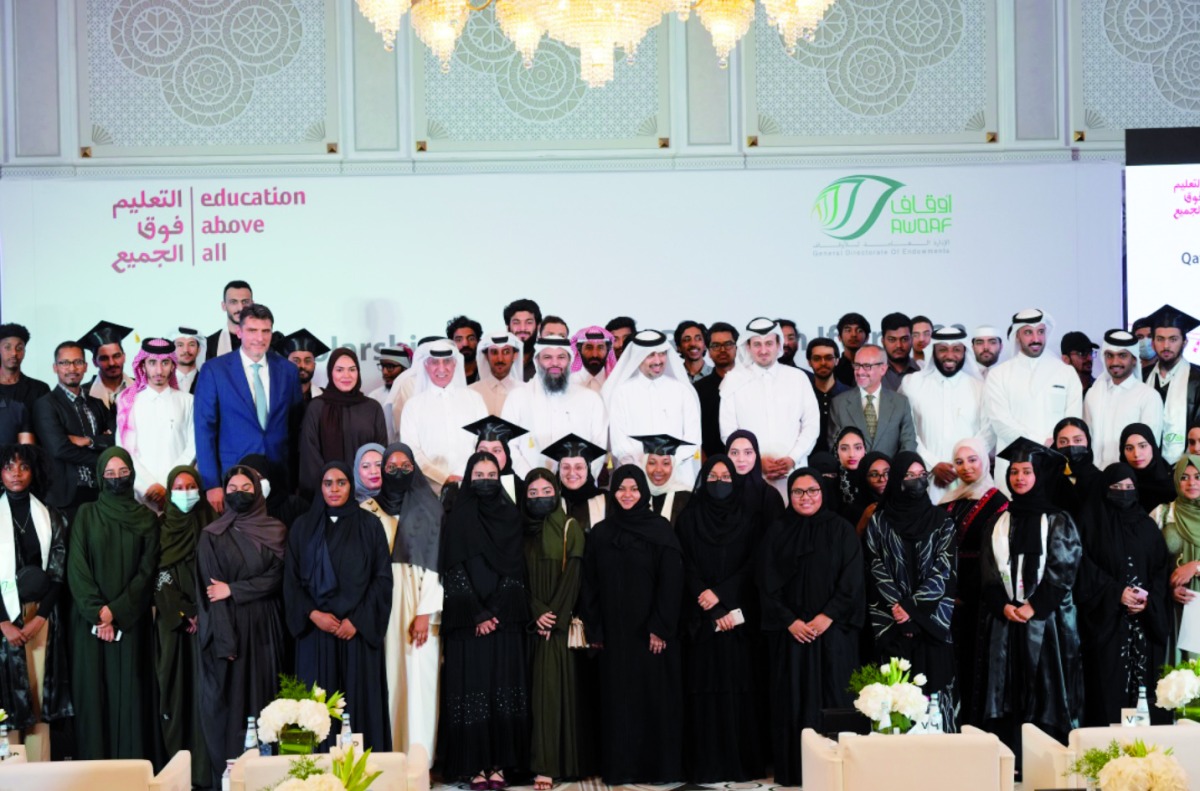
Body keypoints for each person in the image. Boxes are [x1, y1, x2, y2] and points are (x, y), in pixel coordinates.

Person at [758, 467, 864, 786]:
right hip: (791, 635)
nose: (806, 498)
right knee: (792, 699)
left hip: (833, 634)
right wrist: (790, 621)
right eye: (798, 492)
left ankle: (838, 773)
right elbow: (764, 583)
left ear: (823, 492)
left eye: (813, 491)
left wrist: (826, 616)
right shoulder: (776, 532)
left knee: (834, 698)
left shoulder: (842, 530)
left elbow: (852, 579)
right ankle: (794, 770)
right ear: (789, 496)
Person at [580, 465, 683, 784]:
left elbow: (672, 582)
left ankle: (656, 768)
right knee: (617, 704)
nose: (627, 494)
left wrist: (661, 627)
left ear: (643, 492)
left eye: (634, 489)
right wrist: (595, 629)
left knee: (653, 702)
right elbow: (590, 586)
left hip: (650, 635)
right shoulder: (601, 533)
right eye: (621, 489)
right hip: (614, 639)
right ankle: (620, 768)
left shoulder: (661, 529)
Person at [980, 438, 1082, 750]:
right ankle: (1011, 759)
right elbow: (987, 572)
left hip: (1048, 623)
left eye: (1027, 471)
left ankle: (1049, 757)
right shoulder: (999, 520)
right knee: (1007, 689)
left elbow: (1063, 570)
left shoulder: (1058, 520)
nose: (1019, 478)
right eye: (1014, 472)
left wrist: (1034, 606)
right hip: (1007, 620)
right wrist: (1003, 605)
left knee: (1048, 689)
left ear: (1039, 475)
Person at [285, 461, 393, 751]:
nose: (334, 489)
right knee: (316, 712)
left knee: (360, 707)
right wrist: (313, 614)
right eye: (328, 483)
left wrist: (357, 620)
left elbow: (381, 579)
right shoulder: (302, 528)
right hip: (315, 634)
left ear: (350, 485)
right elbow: (291, 581)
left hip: (357, 634)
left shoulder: (370, 526)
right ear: (320, 487)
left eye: (341, 482)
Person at [439, 452, 531, 789]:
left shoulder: (510, 515)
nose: (486, 480)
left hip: (504, 619)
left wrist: (494, 611)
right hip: (468, 621)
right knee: (472, 688)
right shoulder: (458, 515)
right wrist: (477, 613)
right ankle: (474, 765)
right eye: (479, 474)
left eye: (492, 474)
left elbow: (516, 567)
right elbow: (451, 567)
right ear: (468, 476)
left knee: (501, 689)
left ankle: (499, 765)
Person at [196, 463, 286, 788]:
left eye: (246, 488)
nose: (239, 493)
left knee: (267, 699)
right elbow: (211, 595)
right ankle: (234, 779)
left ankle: (273, 776)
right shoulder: (211, 535)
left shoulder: (276, 530)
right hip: (230, 630)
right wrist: (225, 642)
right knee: (232, 707)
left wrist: (234, 589)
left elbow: (277, 578)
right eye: (232, 489)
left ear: (258, 491)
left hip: (267, 627)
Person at [677, 455, 765, 782]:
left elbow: (754, 564)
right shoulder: (689, 519)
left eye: (725, 476)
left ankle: (740, 765)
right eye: (712, 476)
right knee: (703, 689)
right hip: (702, 622)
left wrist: (724, 598)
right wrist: (710, 604)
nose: (719, 482)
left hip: (738, 621)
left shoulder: (750, 518)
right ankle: (705, 765)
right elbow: (684, 564)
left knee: (739, 688)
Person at [68, 446, 159, 760]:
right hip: (90, 626)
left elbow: (147, 573)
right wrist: (98, 613)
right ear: (99, 477)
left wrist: (115, 612)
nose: (117, 478)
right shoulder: (86, 514)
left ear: (131, 474)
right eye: (109, 474)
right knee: (95, 697)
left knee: (131, 696)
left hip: (130, 624)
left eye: (122, 473)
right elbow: (76, 568)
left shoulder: (147, 519)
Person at [357, 443, 443, 755]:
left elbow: (437, 564)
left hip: (418, 604)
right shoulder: (367, 510)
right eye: (390, 465)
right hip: (381, 606)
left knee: (420, 684)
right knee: (388, 680)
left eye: (404, 464)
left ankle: (421, 759)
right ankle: (389, 755)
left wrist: (425, 612)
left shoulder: (430, 509)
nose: (397, 470)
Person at [864, 451, 958, 731]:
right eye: (908, 476)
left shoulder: (942, 521)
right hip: (892, 622)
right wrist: (899, 607)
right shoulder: (879, 522)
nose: (916, 481)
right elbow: (874, 565)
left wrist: (913, 610)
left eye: (921, 475)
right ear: (896, 480)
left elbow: (944, 569)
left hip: (931, 624)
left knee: (935, 693)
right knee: (894, 696)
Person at [1075, 462, 1172, 726]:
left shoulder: (1147, 526)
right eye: (1116, 487)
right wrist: (1116, 592)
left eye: (1129, 487)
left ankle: (1143, 756)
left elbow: (1160, 571)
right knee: (1106, 689)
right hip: (1107, 624)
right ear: (1104, 490)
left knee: (1145, 693)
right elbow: (1082, 567)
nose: (1124, 492)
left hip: (1143, 623)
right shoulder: (1090, 524)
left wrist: (1147, 601)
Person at [194, 304, 303, 514]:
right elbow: (204, 430)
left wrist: (295, 480)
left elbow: (295, 427)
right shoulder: (215, 370)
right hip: (233, 482)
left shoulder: (288, 370)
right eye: (252, 330)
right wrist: (212, 484)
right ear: (239, 332)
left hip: (279, 480)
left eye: (266, 331)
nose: (259, 338)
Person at [0, 444, 70, 761]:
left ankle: (40, 771)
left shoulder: (50, 516)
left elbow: (58, 572)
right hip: (3, 617)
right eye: (9, 466)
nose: (16, 472)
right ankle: (9, 771)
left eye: (23, 467)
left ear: (32, 472)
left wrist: (41, 617)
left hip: (39, 617)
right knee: (8, 696)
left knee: (38, 693)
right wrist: (2, 621)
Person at [523, 470, 585, 790]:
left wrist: (552, 617)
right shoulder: (522, 530)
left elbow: (573, 576)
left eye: (546, 490)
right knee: (533, 696)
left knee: (551, 694)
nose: (539, 497)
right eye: (532, 493)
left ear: (557, 491)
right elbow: (517, 577)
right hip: (531, 625)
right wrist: (536, 612)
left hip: (556, 629)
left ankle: (549, 765)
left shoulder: (571, 527)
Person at [940, 438, 1007, 727]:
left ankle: (975, 728)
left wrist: (967, 589)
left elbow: (997, 554)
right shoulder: (948, 500)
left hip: (981, 595)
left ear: (985, 461)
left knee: (976, 663)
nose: (966, 467)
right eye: (959, 461)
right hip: (945, 594)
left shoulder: (1000, 502)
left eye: (973, 459)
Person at [983, 309, 1083, 495]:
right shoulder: (999, 375)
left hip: (1054, 464)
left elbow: (1073, 421)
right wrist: (1043, 443)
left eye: (1041, 331)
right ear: (1017, 336)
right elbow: (1000, 423)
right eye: (1028, 332)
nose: (1036, 338)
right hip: (1014, 469)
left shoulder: (1066, 373)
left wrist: (1054, 445)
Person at [155, 464, 212, 786]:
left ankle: (207, 772)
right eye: (178, 486)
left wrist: (202, 612)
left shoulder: (213, 524)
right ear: (168, 490)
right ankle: (177, 774)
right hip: (172, 627)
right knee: (174, 695)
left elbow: (219, 571)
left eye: (191, 485)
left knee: (205, 698)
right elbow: (158, 575)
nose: (186, 492)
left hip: (207, 625)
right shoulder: (160, 528)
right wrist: (183, 612)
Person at [719, 318, 820, 497]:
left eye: (769, 343)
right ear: (748, 347)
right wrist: (756, 461)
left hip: (794, 473)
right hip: (750, 474)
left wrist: (792, 458)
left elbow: (812, 424)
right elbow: (728, 431)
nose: (763, 350)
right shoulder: (733, 380)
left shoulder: (798, 378)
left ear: (778, 344)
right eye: (757, 344)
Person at [900, 326, 988, 502]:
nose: (949, 355)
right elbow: (907, 430)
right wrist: (932, 464)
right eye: (942, 350)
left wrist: (964, 466)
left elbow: (988, 430)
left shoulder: (980, 387)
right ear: (933, 351)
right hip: (927, 477)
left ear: (965, 352)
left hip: (971, 479)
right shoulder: (913, 384)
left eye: (956, 349)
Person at [605, 329, 702, 485]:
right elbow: (619, 443)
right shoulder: (622, 393)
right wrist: (646, 467)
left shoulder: (682, 391)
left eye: (662, 353)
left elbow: (693, 439)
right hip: (636, 479)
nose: (658, 360)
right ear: (638, 357)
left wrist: (668, 465)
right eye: (650, 355)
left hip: (679, 478)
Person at [502, 336, 607, 479]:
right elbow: (509, 446)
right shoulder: (517, 397)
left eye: (561, 357)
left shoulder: (591, 399)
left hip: (579, 487)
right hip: (529, 488)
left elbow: (598, 447)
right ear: (537, 360)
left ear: (569, 360)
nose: (555, 363)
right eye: (547, 357)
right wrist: (533, 480)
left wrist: (578, 479)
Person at [32, 341, 115, 518]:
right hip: (67, 495)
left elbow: (117, 437)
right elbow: (60, 448)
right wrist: (103, 460)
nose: (72, 368)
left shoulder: (97, 404)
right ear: (55, 367)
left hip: (101, 492)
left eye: (77, 362)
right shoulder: (45, 405)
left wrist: (90, 440)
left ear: (85, 366)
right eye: (64, 363)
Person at [397, 339, 488, 496]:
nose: (441, 368)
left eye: (447, 361)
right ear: (426, 365)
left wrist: (465, 476)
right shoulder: (413, 406)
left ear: (455, 364)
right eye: (434, 362)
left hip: (471, 486)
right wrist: (443, 478)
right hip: (428, 491)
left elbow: (483, 443)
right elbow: (412, 451)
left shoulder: (475, 399)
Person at [115, 338, 195, 512]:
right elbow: (123, 450)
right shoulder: (127, 401)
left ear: (173, 365)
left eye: (165, 363)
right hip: (140, 494)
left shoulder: (188, 401)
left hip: (178, 491)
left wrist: (169, 483)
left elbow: (193, 446)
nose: (159, 370)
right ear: (143, 365)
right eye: (152, 363)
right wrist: (147, 487)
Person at [299, 348, 386, 498]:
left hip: (368, 497)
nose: (346, 375)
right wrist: (331, 489)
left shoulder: (372, 408)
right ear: (330, 373)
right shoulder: (317, 407)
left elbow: (380, 453)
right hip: (329, 496)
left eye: (352, 370)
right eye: (339, 370)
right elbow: (310, 455)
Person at [1084, 330, 1164, 468]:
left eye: (1122, 355)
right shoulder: (1093, 394)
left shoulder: (1148, 396)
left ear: (1134, 359)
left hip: (1129, 480)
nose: (1115, 362)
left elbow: (1148, 449)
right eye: (1109, 355)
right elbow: (1086, 437)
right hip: (1096, 476)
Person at [829, 344, 917, 458]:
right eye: (857, 365)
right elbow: (834, 446)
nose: (860, 372)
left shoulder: (900, 403)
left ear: (883, 369)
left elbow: (908, 444)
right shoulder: (838, 404)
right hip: (853, 474)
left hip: (890, 473)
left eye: (866, 366)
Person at [1141, 305, 1200, 463]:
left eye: (1173, 339)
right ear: (1153, 343)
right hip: (1146, 467)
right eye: (1160, 339)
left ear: (1185, 342)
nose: (1166, 346)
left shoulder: (1198, 379)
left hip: (1187, 470)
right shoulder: (1141, 378)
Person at [1163, 452, 1200, 658]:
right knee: (1178, 677)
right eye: (1184, 477)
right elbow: (1149, 560)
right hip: (1177, 604)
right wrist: (1168, 585)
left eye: (1198, 476)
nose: (1191, 483)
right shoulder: (1163, 513)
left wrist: (1195, 566)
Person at [542, 434, 608, 529]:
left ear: (588, 469)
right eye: (566, 467)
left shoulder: (606, 500)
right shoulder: (550, 501)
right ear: (559, 470)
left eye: (579, 467)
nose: (572, 472)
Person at [695, 321, 739, 458]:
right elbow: (695, 434)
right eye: (715, 346)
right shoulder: (698, 389)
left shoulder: (750, 385)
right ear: (708, 351)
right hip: (712, 466)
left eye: (728, 344)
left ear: (737, 347)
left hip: (748, 463)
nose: (722, 350)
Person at [632, 434, 693, 524]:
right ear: (644, 465)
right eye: (652, 463)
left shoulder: (687, 499)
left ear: (672, 466)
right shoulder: (634, 496)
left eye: (665, 463)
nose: (658, 470)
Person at [1052, 417, 1103, 522]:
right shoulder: (1047, 478)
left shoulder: (1101, 479)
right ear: (1055, 444)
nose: (1071, 445)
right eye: (1063, 441)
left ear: (1088, 441)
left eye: (1078, 440)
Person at [238, 452, 308, 528]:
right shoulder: (238, 513)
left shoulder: (295, 505)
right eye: (249, 480)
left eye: (259, 478)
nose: (255, 484)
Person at [78, 320, 134, 415]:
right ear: (95, 362)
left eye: (116, 356)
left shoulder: (142, 389)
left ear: (124, 357)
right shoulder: (82, 395)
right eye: (104, 358)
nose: (112, 363)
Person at [1120, 422, 1177, 516]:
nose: (1136, 454)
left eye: (1142, 446)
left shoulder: (1173, 482)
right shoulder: (1117, 483)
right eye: (1129, 448)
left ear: (1153, 447)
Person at [806, 337, 850, 454]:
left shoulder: (850, 395)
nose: (823, 363)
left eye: (828, 358)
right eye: (817, 358)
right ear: (809, 362)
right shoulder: (803, 394)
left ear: (837, 361)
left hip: (842, 461)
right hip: (806, 460)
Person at [0, 322, 51, 420]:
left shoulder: (40, 389)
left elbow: (46, 424)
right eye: (7, 347)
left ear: (24, 351)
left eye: (19, 348)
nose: (14, 353)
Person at [470, 332, 524, 416]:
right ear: (486, 356)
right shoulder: (471, 392)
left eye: (506, 352)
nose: (500, 359)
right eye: (494, 352)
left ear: (515, 355)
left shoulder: (526, 391)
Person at [368, 345, 412, 442]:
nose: (385, 372)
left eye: (390, 367)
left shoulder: (414, 393)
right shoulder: (374, 397)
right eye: (382, 366)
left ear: (405, 369)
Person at [278, 328, 329, 403]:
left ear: (314, 365)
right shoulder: (274, 398)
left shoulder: (325, 399)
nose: (302, 365)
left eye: (307, 361)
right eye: (296, 361)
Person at [207, 280, 253, 360]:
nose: (240, 308)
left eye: (245, 302)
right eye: (233, 302)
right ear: (224, 306)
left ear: (252, 304)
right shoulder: (209, 344)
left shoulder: (267, 341)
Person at [847, 451, 891, 533]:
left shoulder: (904, 502)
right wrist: (864, 521)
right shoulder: (853, 511)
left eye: (887, 473)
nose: (882, 479)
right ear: (863, 477)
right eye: (874, 475)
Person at [568, 326, 616, 394]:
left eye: (600, 347)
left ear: (608, 350)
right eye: (589, 347)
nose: (594, 354)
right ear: (579, 349)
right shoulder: (569, 382)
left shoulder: (616, 383)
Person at [832, 426, 867, 517]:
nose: (852, 454)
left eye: (858, 448)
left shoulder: (876, 478)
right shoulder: (829, 482)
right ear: (836, 451)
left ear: (865, 449)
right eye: (844, 448)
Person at [504, 298, 542, 382]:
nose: (522, 328)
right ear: (508, 327)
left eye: (529, 322)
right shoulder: (495, 362)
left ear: (538, 327)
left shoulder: (545, 363)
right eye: (516, 322)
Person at [879, 313, 919, 391]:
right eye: (892, 339)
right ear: (883, 341)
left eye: (904, 339)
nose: (899, 345)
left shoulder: (922, 370)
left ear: (912, 340)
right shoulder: (871, 372)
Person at [833, 312, 871, 387]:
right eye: (848, 330)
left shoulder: (875, 367)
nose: (853, 335)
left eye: (859, 330)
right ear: (839, 337)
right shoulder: (833, 369)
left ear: (867, 337)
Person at [447, 316, 483, 385]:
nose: (465, 344)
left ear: (479, 342)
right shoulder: (445, 374)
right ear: (451, 344)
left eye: (471, 339)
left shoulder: (488, 372)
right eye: (459, 340)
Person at [1060, 331, 1098, 395]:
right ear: (1066, 359)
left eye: (1090, 353)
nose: (1090, 358)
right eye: (1083, 353)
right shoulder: (1059, 390)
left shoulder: (1100, 388)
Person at [173, 327, 204, 394]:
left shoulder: (207, 380)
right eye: (180, 345)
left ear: (199, 350)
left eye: (191, 345)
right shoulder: (164, 381)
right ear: (172, 350)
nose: (186, 350)